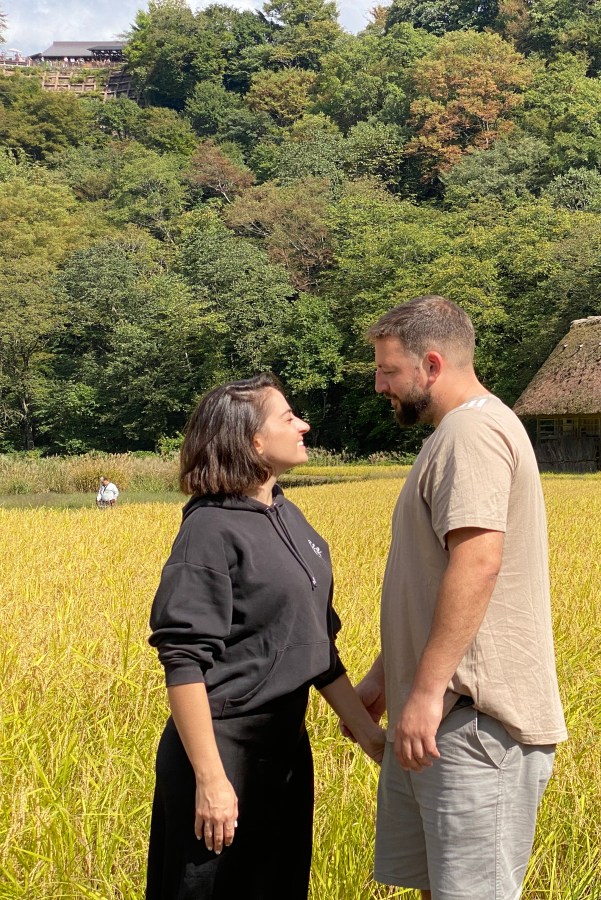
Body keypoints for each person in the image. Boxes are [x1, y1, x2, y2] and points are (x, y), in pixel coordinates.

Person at [347, 295, 568, 900]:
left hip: (472, 724)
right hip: (446, 719)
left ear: (433, 365)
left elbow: (477, 562)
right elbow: (431, 579)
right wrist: (386, 680)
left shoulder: (471, 432)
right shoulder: (458, 432)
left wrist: (422, 693)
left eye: (389, 371)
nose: (379, 385)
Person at [146, 373, 385, 900]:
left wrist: (374, 740)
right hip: (222, 749)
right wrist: (210, 780)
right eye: (287, 417)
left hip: (285, 752)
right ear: (253, 441)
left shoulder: (288, 516)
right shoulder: (209, 529)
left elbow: (317, 648)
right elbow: (183, 659)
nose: (303, 424)